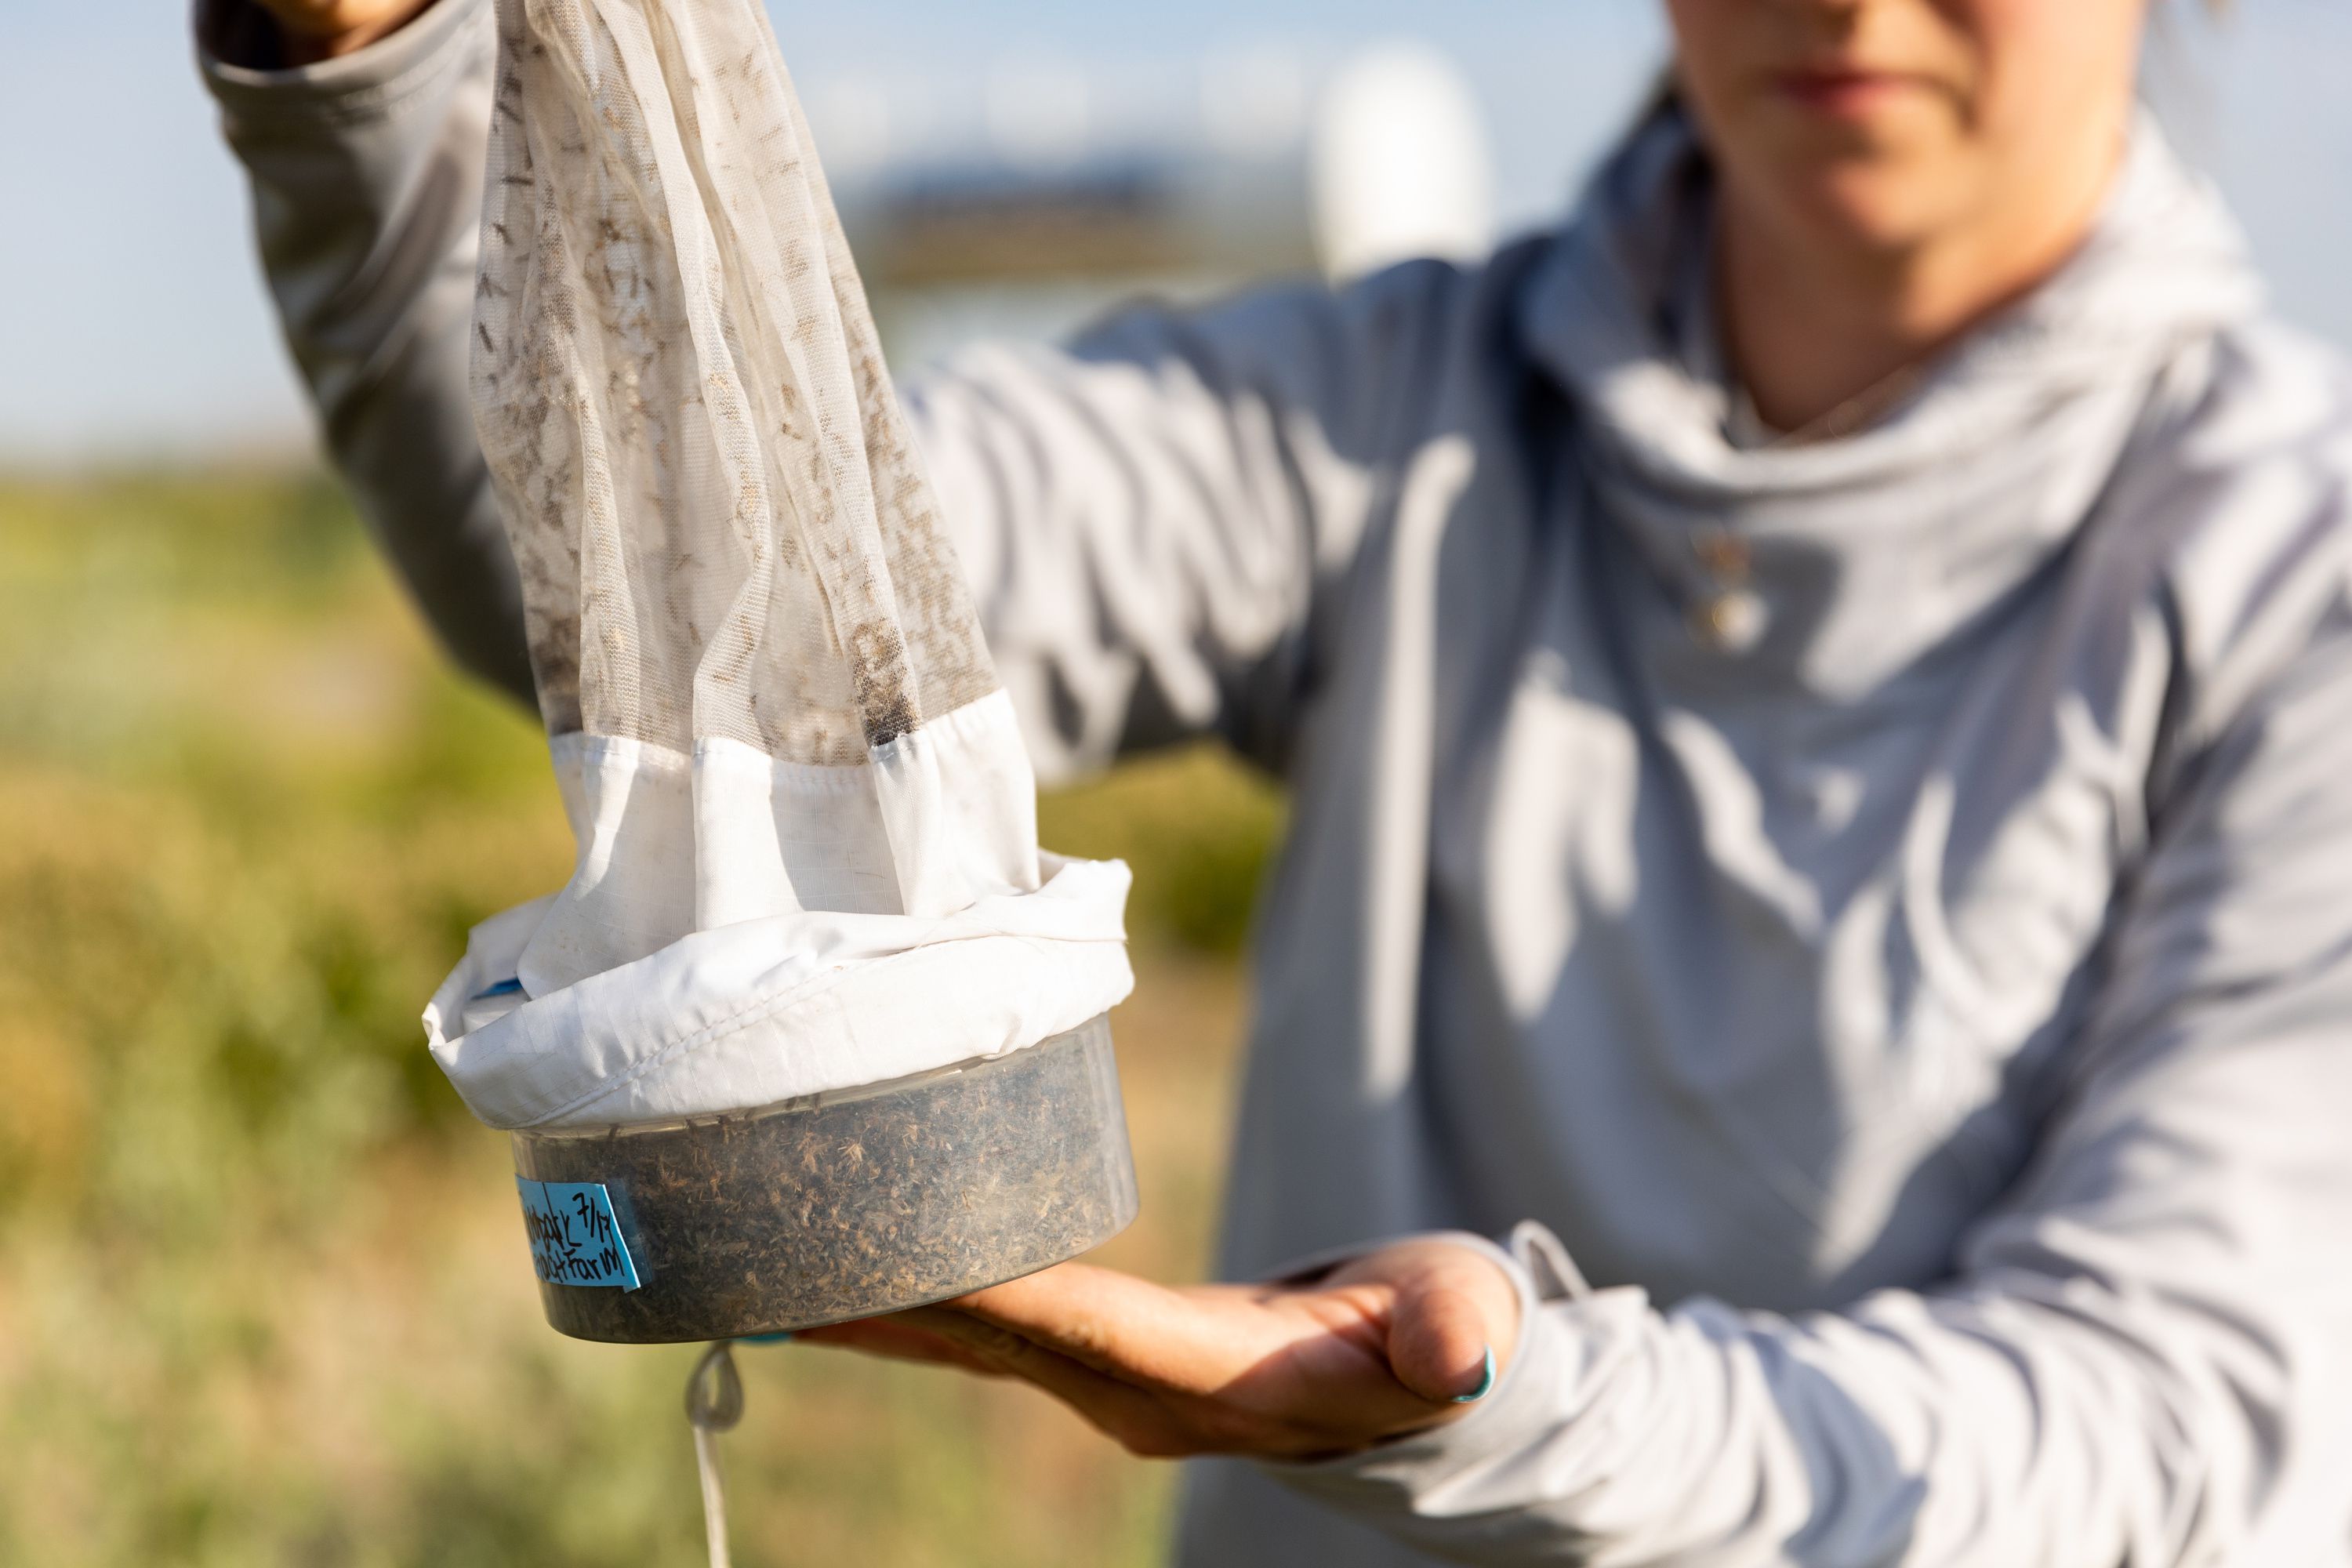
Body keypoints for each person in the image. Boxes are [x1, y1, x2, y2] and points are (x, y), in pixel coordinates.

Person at [196, 0, 2352, 1561]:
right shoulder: (1396, 416)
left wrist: (1513, 1410)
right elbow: (667, 602)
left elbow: (2167, 1428)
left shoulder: (2292, 581)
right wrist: (375, 69)